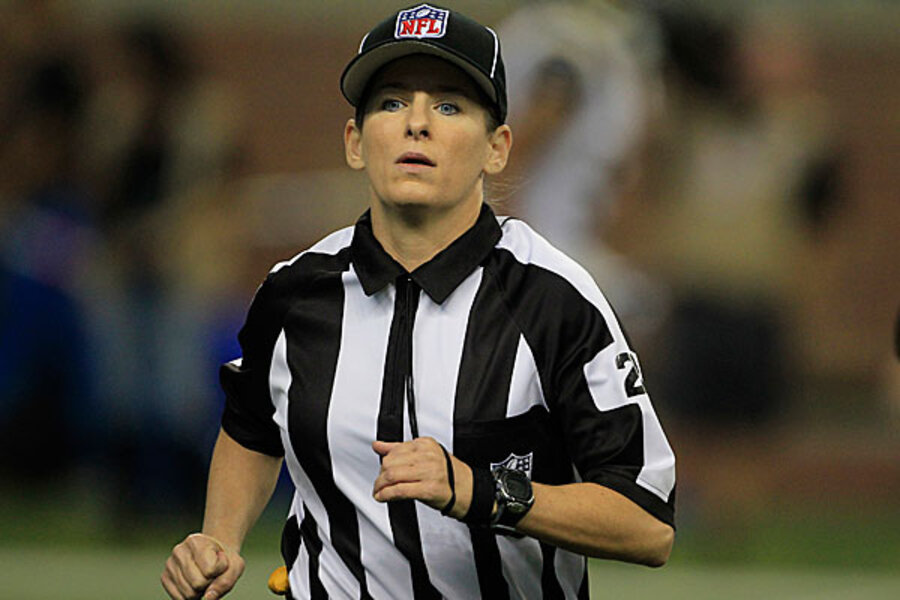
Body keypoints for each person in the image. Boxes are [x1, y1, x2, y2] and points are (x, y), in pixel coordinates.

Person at [161, 5, 675, 599]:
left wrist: (477, 490)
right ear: (355, 142)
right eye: (392, 102)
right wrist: (219, 539)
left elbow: (648, 523)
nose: (417, 124)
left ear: (497, 148)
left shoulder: (554, 299)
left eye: (450, 106)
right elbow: (251, 428)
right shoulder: (295, 292)